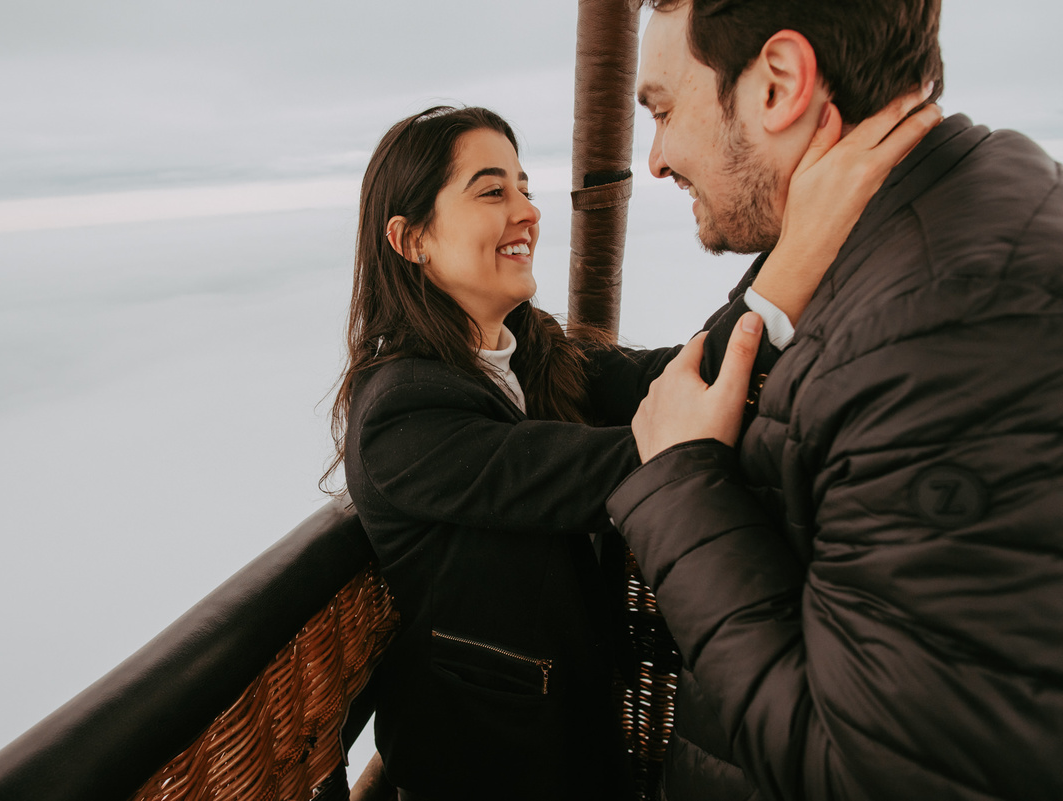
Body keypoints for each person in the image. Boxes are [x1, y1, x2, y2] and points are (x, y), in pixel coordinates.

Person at [329, 100, 935, 799]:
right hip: (490, 771)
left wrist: (813, 248)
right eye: (493, 190)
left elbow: (682, 372)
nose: (526, 210)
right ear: (410, 239)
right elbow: (626, 463)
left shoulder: (530, 355)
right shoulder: (401, 413)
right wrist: (798, 253)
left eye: (525, 187)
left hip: (583, 741)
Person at [609, 2, 1063, 800]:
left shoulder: (942, 329)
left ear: (779, 84)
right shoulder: (938, 208)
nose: (655, 159)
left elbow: (877, 774)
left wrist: (682, 486)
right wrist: (790, 263)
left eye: (664, 110)